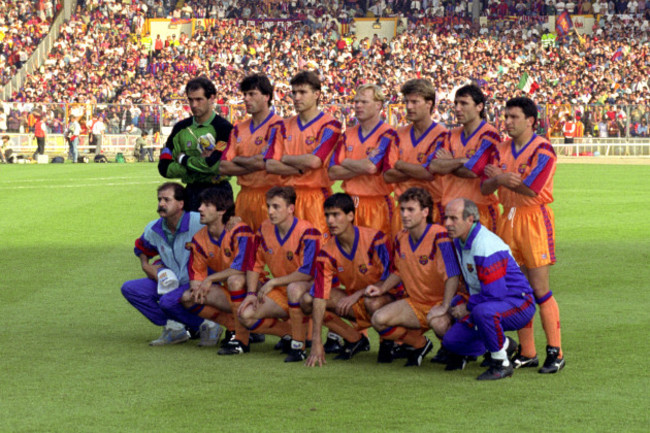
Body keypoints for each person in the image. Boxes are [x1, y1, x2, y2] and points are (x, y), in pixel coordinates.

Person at [481, 96, 565, 374]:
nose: (508, 122)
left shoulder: (543, 149)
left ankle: (556, 352)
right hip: (508, 218)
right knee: (518, 290)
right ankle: (528, 352)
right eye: (506, 117)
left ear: (530, 120)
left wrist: (501, 178)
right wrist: (501, 179)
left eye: (514, 117)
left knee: (540, 289)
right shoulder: (500, 148)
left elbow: (533, 188)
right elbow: (485, 187)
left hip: (534, 220)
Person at [441, 198, 536, 380]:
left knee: (484, 312)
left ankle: (501, 363)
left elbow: (495, 293)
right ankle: (504, 344)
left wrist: (468, 307)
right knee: (452, 341)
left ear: (470, 219)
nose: (447, 223)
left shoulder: (484, 245)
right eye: (446, 218)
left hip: (519, 302)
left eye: (453, 219)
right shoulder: (460, 241)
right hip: (492, 301)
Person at [365, 187, 461, 367]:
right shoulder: (401, 237)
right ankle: (420, 344)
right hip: (416, 304)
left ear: (425, 212)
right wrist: (382, 288)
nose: (405, 214)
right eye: (402, 209)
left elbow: (453, 275)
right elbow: (398, 271)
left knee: (439, 323)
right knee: (378, 319)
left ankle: (457, 352)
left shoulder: (439, 236)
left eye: (411, 210)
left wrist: (445, 306)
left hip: (442, 302)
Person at [121, 183, 219, 346]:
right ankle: (175, 328)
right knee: (131, 289)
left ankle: (208, 324)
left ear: (181, 204)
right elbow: (141, 248)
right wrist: (145, 265)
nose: (161, 204)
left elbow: (224, 231)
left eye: (167, 199)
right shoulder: (154, 228)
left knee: (168, 302)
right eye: (159, 199)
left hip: (199, 281)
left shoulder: (199, 222)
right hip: (172, 281)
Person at [303, 193, 395, 367]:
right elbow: (320, 295)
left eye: (336, 215)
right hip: (357, 302)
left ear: (351, 216)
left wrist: (359, 294)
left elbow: (392, 278)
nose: (330, 221)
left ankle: (390, 342)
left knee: (373, 302)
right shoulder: (327, 251)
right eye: (327, 215)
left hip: (386, 301)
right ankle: (354, 338)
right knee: (308, 300)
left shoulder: (376, 240)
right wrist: (316, 342)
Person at [239, 186, 321, 362]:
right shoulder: (264, 229)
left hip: (307, 291)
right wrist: (251, 294)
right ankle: (290, 332)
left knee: (293, 288)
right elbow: (254, 264)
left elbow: (308, 273)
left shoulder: (308, 232)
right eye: (268, 206)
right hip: (282, 291)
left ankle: (298, 347)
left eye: (276, 207)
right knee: (246, 315)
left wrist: (273, 282)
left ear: (291, 208)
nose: (270, 211)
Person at [179, 187, 256, 355]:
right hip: (229, 291)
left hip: (254, 289)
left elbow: (241, 267)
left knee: (235, 280)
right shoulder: (199, 238)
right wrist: (198, 287)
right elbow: (196, 275)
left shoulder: (240, 231)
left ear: (221, 210)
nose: (200, 209)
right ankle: (233, 326)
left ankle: (242, 336)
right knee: (189, 298)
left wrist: (210, 279)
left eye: (207, 205)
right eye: (201, 204)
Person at [265, 71, 342, 234]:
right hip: (285, 198)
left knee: (318, 249)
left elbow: (315, 161)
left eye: (302, 92)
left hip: (316, 198)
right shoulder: (282, 126)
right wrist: (299, 168)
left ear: (316, 94)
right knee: (289, 251)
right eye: (294, 93)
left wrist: (285, 158)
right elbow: (270, 164)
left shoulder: (330, 125)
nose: (296, 97)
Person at [428, 84, 502, 232]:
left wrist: (448, 164)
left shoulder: (489, 135)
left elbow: (474, 171)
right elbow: (434, 166)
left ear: (479, 107)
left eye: (464, 103)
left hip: (478, 210)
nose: (457, 108)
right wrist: (461, 161)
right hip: (450, 209)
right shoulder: (450, 134)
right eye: (456, 103)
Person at [328, 84, 396, 238]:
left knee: (377, 256)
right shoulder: (347, 134)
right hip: (349, 204)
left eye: (364, 102)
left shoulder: (388, 134)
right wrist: (362, 165)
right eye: (356, 101)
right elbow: (332, 172)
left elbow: (371, 167)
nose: (358, 105)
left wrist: (345, 161)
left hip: (377, 205)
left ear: (378, 105)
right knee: (348, 255)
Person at [220, 73, 285, 232]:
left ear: (266, 96)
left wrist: (239, 159)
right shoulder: (238, 129)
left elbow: (267, 163)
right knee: (243, 247)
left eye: (252, 94)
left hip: (271, 198)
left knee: (269, 249)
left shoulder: (279, 126)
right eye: (245, 94)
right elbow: (223, 166)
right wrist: (257, 162)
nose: (246, 99)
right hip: (244, 199)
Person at [158, 76, 234, 211]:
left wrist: (183, 159)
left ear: (211, 99)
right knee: (190, 232)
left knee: (218, 232)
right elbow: (164, 167)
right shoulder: (180, 128)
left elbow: (215, 165)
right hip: (191, 193)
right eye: (190, 100)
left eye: (199, 99)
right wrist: (199, 166)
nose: (193, 105)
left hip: (219, 192)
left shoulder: (224, 128)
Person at [384, 79, 448, 234]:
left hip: (432, 210)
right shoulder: (398, 135)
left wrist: (400, 164)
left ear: (429, 103)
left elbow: (429, 174)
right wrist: (419, 170)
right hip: (402, 210)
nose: (409, 107)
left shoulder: (443, 136)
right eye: (407, 102)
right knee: (400, 257)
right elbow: (387, 175)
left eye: (415, 102)